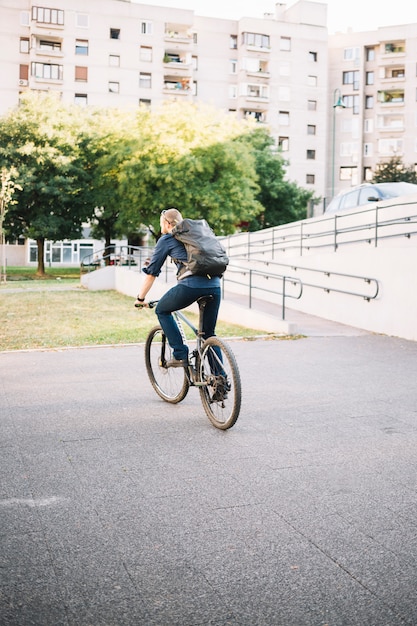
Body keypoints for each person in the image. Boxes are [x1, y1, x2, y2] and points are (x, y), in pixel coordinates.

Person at [135, 208, 222, 367]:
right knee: (208, 335)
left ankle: (180, 354)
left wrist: (140, 298)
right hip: (215, 286)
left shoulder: (167, 239)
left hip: (191, 286)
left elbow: (152, 273)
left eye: (161, 222)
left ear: (167, 224)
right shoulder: (198, 235)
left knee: (162, 310)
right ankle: (220, 382)